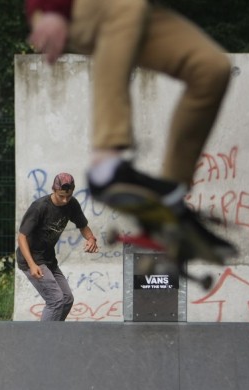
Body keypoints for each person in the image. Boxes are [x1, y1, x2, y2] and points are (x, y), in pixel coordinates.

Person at [25, 0, 236, 264]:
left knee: (212, 68)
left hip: (139, 16)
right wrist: (51, 9)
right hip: (70, 9)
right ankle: (107, 165)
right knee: (126, 6)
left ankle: (171, 200)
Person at [16, 173, 98, 321]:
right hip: (31, 259)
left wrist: (91, 238)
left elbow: (83, 226)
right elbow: (21, 237)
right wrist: (32, 265)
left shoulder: (72, 204)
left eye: (68, 196)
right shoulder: (40, 207)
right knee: (55, 300)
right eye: (61, 196)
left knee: (67, 299)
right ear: (54, 190)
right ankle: (45, 340)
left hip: (48, 259)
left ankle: (56, 335)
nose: (65, 200)